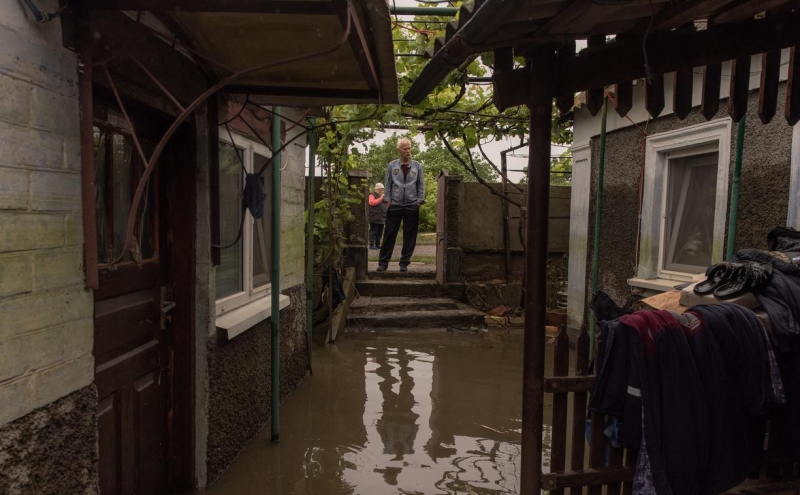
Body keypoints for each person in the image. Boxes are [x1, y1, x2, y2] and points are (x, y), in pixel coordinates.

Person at [377, 138, 424, 272]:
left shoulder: (417, 166)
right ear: (399, 150)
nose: (408, 151)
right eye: (405, 149)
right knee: (389, 234)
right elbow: (388, 184)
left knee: (410, 235)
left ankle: (404, 263)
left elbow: (420, 185)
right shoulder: (392, 165)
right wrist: (388, 201)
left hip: (411, 205)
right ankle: (383, 263)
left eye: (409, 148)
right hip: (395, 205)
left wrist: (419, 201)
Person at [368, 182, 386, 250]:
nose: (383, 191)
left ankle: (377, 244)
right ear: (378, 189)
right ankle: (371, 245)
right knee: (373, 231)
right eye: (382, 189)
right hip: (374, 217)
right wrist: (381, 198)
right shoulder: (372, 195)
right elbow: (372, 203)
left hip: (381, 218)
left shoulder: (380, 196)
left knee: (379, 232)